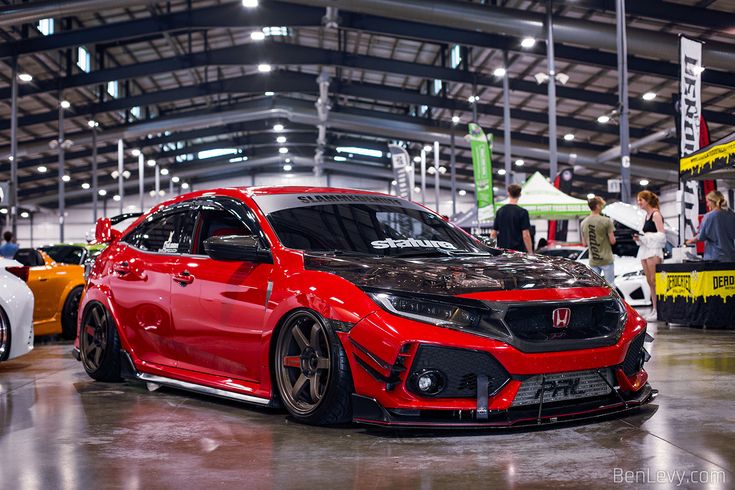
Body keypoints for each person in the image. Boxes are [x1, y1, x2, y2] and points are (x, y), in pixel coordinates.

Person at [635, 191, 666, 321]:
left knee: (655, 281)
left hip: (654, 250)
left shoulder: (656, 214)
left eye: (640, 200)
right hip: (645, 250)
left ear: (647, 201)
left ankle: (660, 309)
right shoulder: (645, 216)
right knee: (649, 282)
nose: (638, 202)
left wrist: (645, 236)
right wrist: (638, 237)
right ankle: (654, 309)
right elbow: (644, 235)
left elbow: (662, 235)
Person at [685, 190, 735, 262]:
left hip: (715, 258)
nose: (707, 204)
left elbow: (701, 237)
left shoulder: (709, 216)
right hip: (731, 257)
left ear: (712, 202)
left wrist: (688, 242)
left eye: (708, 202)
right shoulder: (732, 215)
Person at [581, 196, 616, 284]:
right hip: (606, 260)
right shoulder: (606, 221)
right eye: (601, 205)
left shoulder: (583, 222)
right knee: (610, 286)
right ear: (597, 206)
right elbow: (613, 241)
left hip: (593, 261)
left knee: (595, 286)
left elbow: (584, 243)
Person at [491, 184, 534, 254]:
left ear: (508, 193)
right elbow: (526, 235)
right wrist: (530, 251)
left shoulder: (500, 211)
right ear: (520, 194)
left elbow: (493, 234)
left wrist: (492, 250)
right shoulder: (523, 212)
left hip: (503, 252)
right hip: (518, 253)